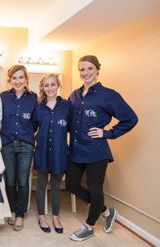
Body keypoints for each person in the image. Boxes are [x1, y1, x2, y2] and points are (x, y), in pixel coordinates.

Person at [66, 55, 138, 241]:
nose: (86, 73)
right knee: (72, 185)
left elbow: (131, 119)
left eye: (90, 68)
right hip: (75, 150)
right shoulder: (74, 95)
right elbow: (69, 121)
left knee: (95, 189)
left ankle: (89, 226)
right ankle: (107, 211)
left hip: (96, 151)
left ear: (97, 70)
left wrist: (107, 133)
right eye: (82, 69)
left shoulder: (109, 95)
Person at [0, 65, 38, 231]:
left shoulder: (33, 97)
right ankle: (12, 210)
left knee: (22, 181)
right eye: (14, 78)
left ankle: (20, 214)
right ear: (10, 80)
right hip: (6, 144)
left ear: (26, 79)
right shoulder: (2, 97)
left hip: (25, 145)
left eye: (21, 77)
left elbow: (35, 121)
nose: (18, 81)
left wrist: (26, 133)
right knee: (9, 180)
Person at [33, 73, 70, 234]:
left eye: (53, 84)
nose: (50, 88)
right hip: (41, 152)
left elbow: (73, 127)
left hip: (59, 153)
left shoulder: (68, 106)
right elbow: (32, 127)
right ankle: (42, 216)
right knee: (41, 185)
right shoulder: (38, 107)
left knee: (56, 186)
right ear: (42, 87)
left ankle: (55, 217)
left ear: (58, 85)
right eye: (46, 85)